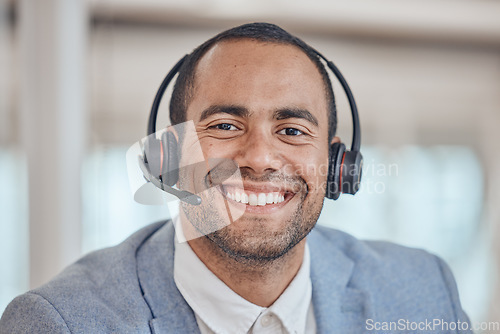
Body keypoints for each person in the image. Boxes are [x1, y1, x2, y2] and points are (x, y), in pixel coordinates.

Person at [0, 22, 471, 334]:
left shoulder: (424, 289)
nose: (261, 158)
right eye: (225, 126)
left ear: (337, 164)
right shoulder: (58, 323)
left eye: (292, 130)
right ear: (169, 156)